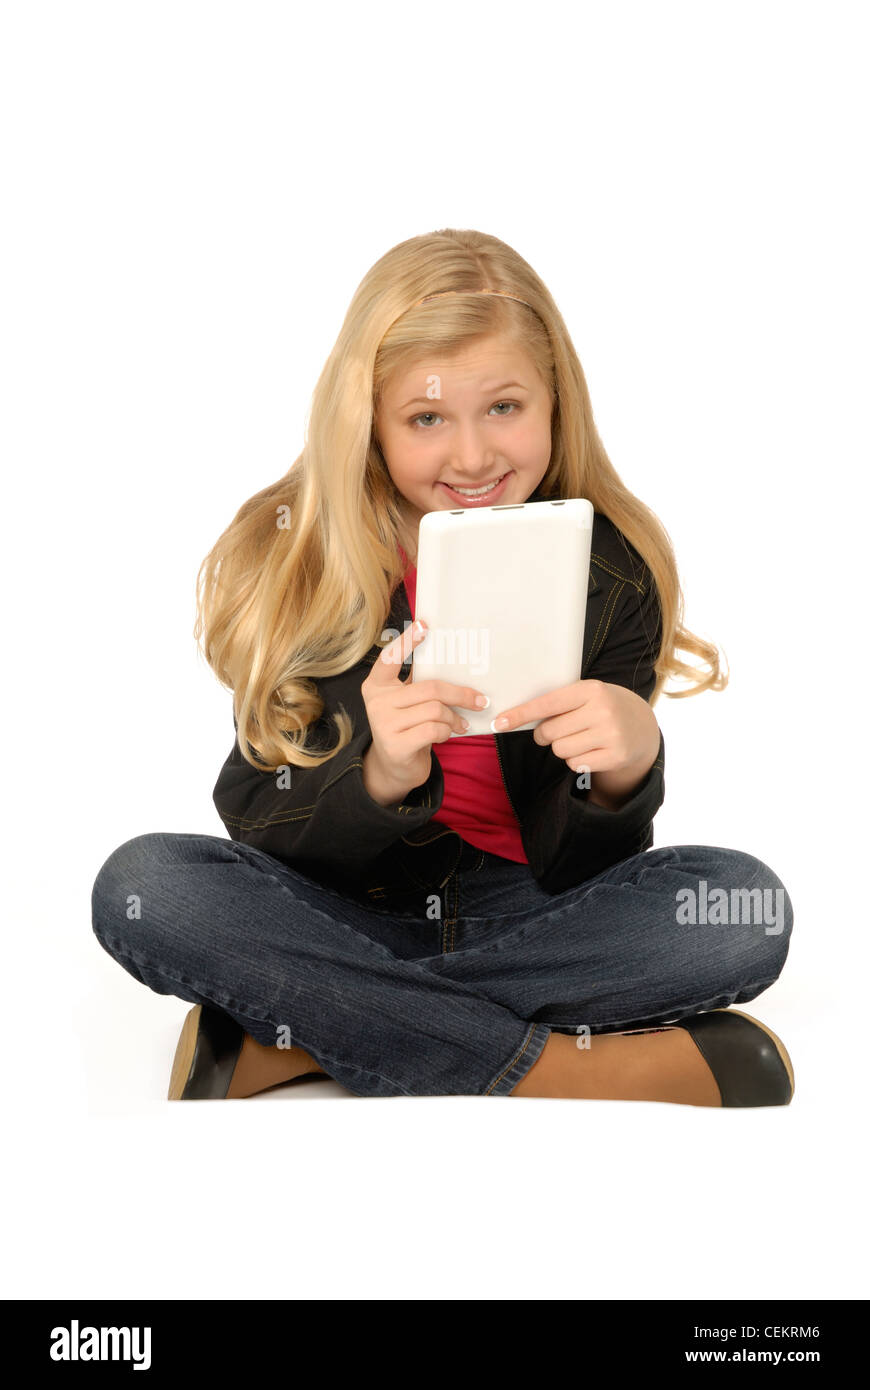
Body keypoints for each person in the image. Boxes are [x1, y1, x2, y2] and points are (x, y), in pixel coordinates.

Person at [91, 227, 794, 1106]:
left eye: (505, 408)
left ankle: (318, 1033)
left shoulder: (611, 572)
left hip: (533, 915)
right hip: (346, 916)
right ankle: (565, 1068)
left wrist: (625, 774)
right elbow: (257, 824)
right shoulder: (298, 560)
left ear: (555, 405)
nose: (472, 457)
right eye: (427, 419)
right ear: (372, 426)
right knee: (148, 887)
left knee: (744, 906)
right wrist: (380, 776)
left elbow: (591, 869)